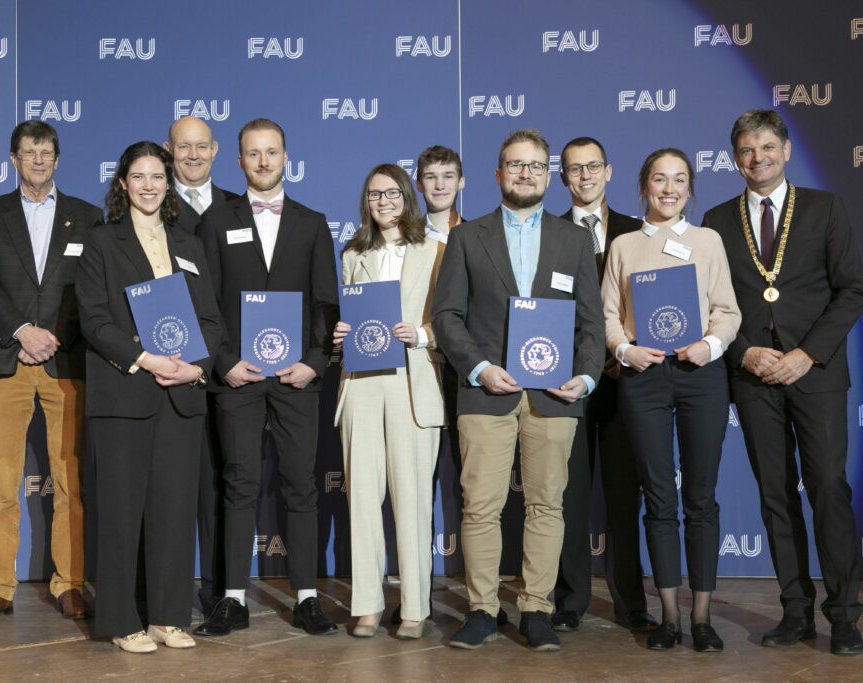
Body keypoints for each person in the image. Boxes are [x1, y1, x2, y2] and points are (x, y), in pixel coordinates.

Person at [702, 109, 863, 656]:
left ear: (787, 150)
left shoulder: (825, 208)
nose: (759, 158)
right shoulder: (717, 219)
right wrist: (746, 351)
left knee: (828, 490)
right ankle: (795, 611)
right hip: (752, 377)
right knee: (776, 497)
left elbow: (851, 291)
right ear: (735, 158)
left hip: (814, 374)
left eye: (768, 147)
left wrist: (805, 355)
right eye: (747, 150)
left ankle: (843, 615)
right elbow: (712, 300)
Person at [432, 129, 605, 652]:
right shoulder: (467, 236)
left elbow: (591, 324)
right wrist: (480, 367)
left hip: (555, 395)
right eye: (515, 165)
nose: (525, 173)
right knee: (480, 506)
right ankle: (484, 609)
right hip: (486, 392)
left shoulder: (575, 239)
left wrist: (587, 376)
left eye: (535, 165)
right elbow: (446, 316)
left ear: (549, 175)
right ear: (497, 173)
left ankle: (536, 608)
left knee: (547, 506)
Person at [76, 141, 224, 653]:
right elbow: (94, 319)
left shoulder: (189, 244)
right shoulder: (101, 242)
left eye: (157, 177)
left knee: (175, 510)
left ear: (170, 183)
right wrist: (147, 359)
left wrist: (193, 366)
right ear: (122, 184)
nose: (148, 186)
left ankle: (168, 616)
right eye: (138, 177)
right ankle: (121, 620)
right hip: (125, 391)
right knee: (120, 511)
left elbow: (210, 320)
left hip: (182, 394)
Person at [195, 119, 340, 637]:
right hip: (237, 376)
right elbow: (204, 302)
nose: (262, 162)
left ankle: (305, 596)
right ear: (238, 161)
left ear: (286, 158)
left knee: (300, 485)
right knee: (238, 484)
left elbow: (327, 303)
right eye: (252, 154)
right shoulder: (215, 221)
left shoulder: (312, 222)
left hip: (296, 377)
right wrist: (223, 361)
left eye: (271, 153)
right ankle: (232, 597)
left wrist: (315, 362)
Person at [600, 148, 740, 652]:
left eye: (679, 180)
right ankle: (668, 617)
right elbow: (608, 314)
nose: (669, 189)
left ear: (690, 188)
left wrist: (710, 345)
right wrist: (623, 349)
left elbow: (727, 309)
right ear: (644, 186)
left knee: (700, 499)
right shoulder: (623, 245)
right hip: (645, 378)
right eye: (659, 179)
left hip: (701, 375)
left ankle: (702, 618)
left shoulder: (708, 241)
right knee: (659, 500)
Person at [0, 120, 100, 624]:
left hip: (66, 360)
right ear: (13, 159)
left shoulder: (87, 216)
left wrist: (51, 336)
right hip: (6, 359)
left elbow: (92, 287)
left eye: (46, 152)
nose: (38, 160)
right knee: (2, 481)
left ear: (57, 159)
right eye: (28, 152)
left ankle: (70, 585)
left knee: (70, 480)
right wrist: (22, 331)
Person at [332, 164, 444, 639]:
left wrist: (419, 334)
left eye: (392, 192)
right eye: (374, 194)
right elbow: (350, 317)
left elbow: (455, 321)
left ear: (407, 196)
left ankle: (416, 608)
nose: (383, 201)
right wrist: (339, 336)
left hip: (412, 381)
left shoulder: (436, 249)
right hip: (361, 382)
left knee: (412, 500)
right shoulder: (353, 253)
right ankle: (368, 604)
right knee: (362, 499)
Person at [552, 136, 657, 633]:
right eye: (574, 169)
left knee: (623, 495)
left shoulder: (641, 231)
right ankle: (569, 601)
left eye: (593, 167)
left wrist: (623, 351)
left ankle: (631, 602)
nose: (585, 176)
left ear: (610, 172)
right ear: (563, 177)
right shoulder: (547, 233)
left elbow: (654, 305)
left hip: (624, 382)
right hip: (565, 382)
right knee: (569, 497)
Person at [163, 116, 239, 614]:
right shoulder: (146, 205)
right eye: (182, 147)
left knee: (219, 481)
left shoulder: (239, 208)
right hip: (166, 370)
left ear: (214, 150)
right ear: (170, 150)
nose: (192, 155)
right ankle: (160, 590)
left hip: (228, 368)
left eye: (201, 146)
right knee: (166, 485)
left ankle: (217, 590)